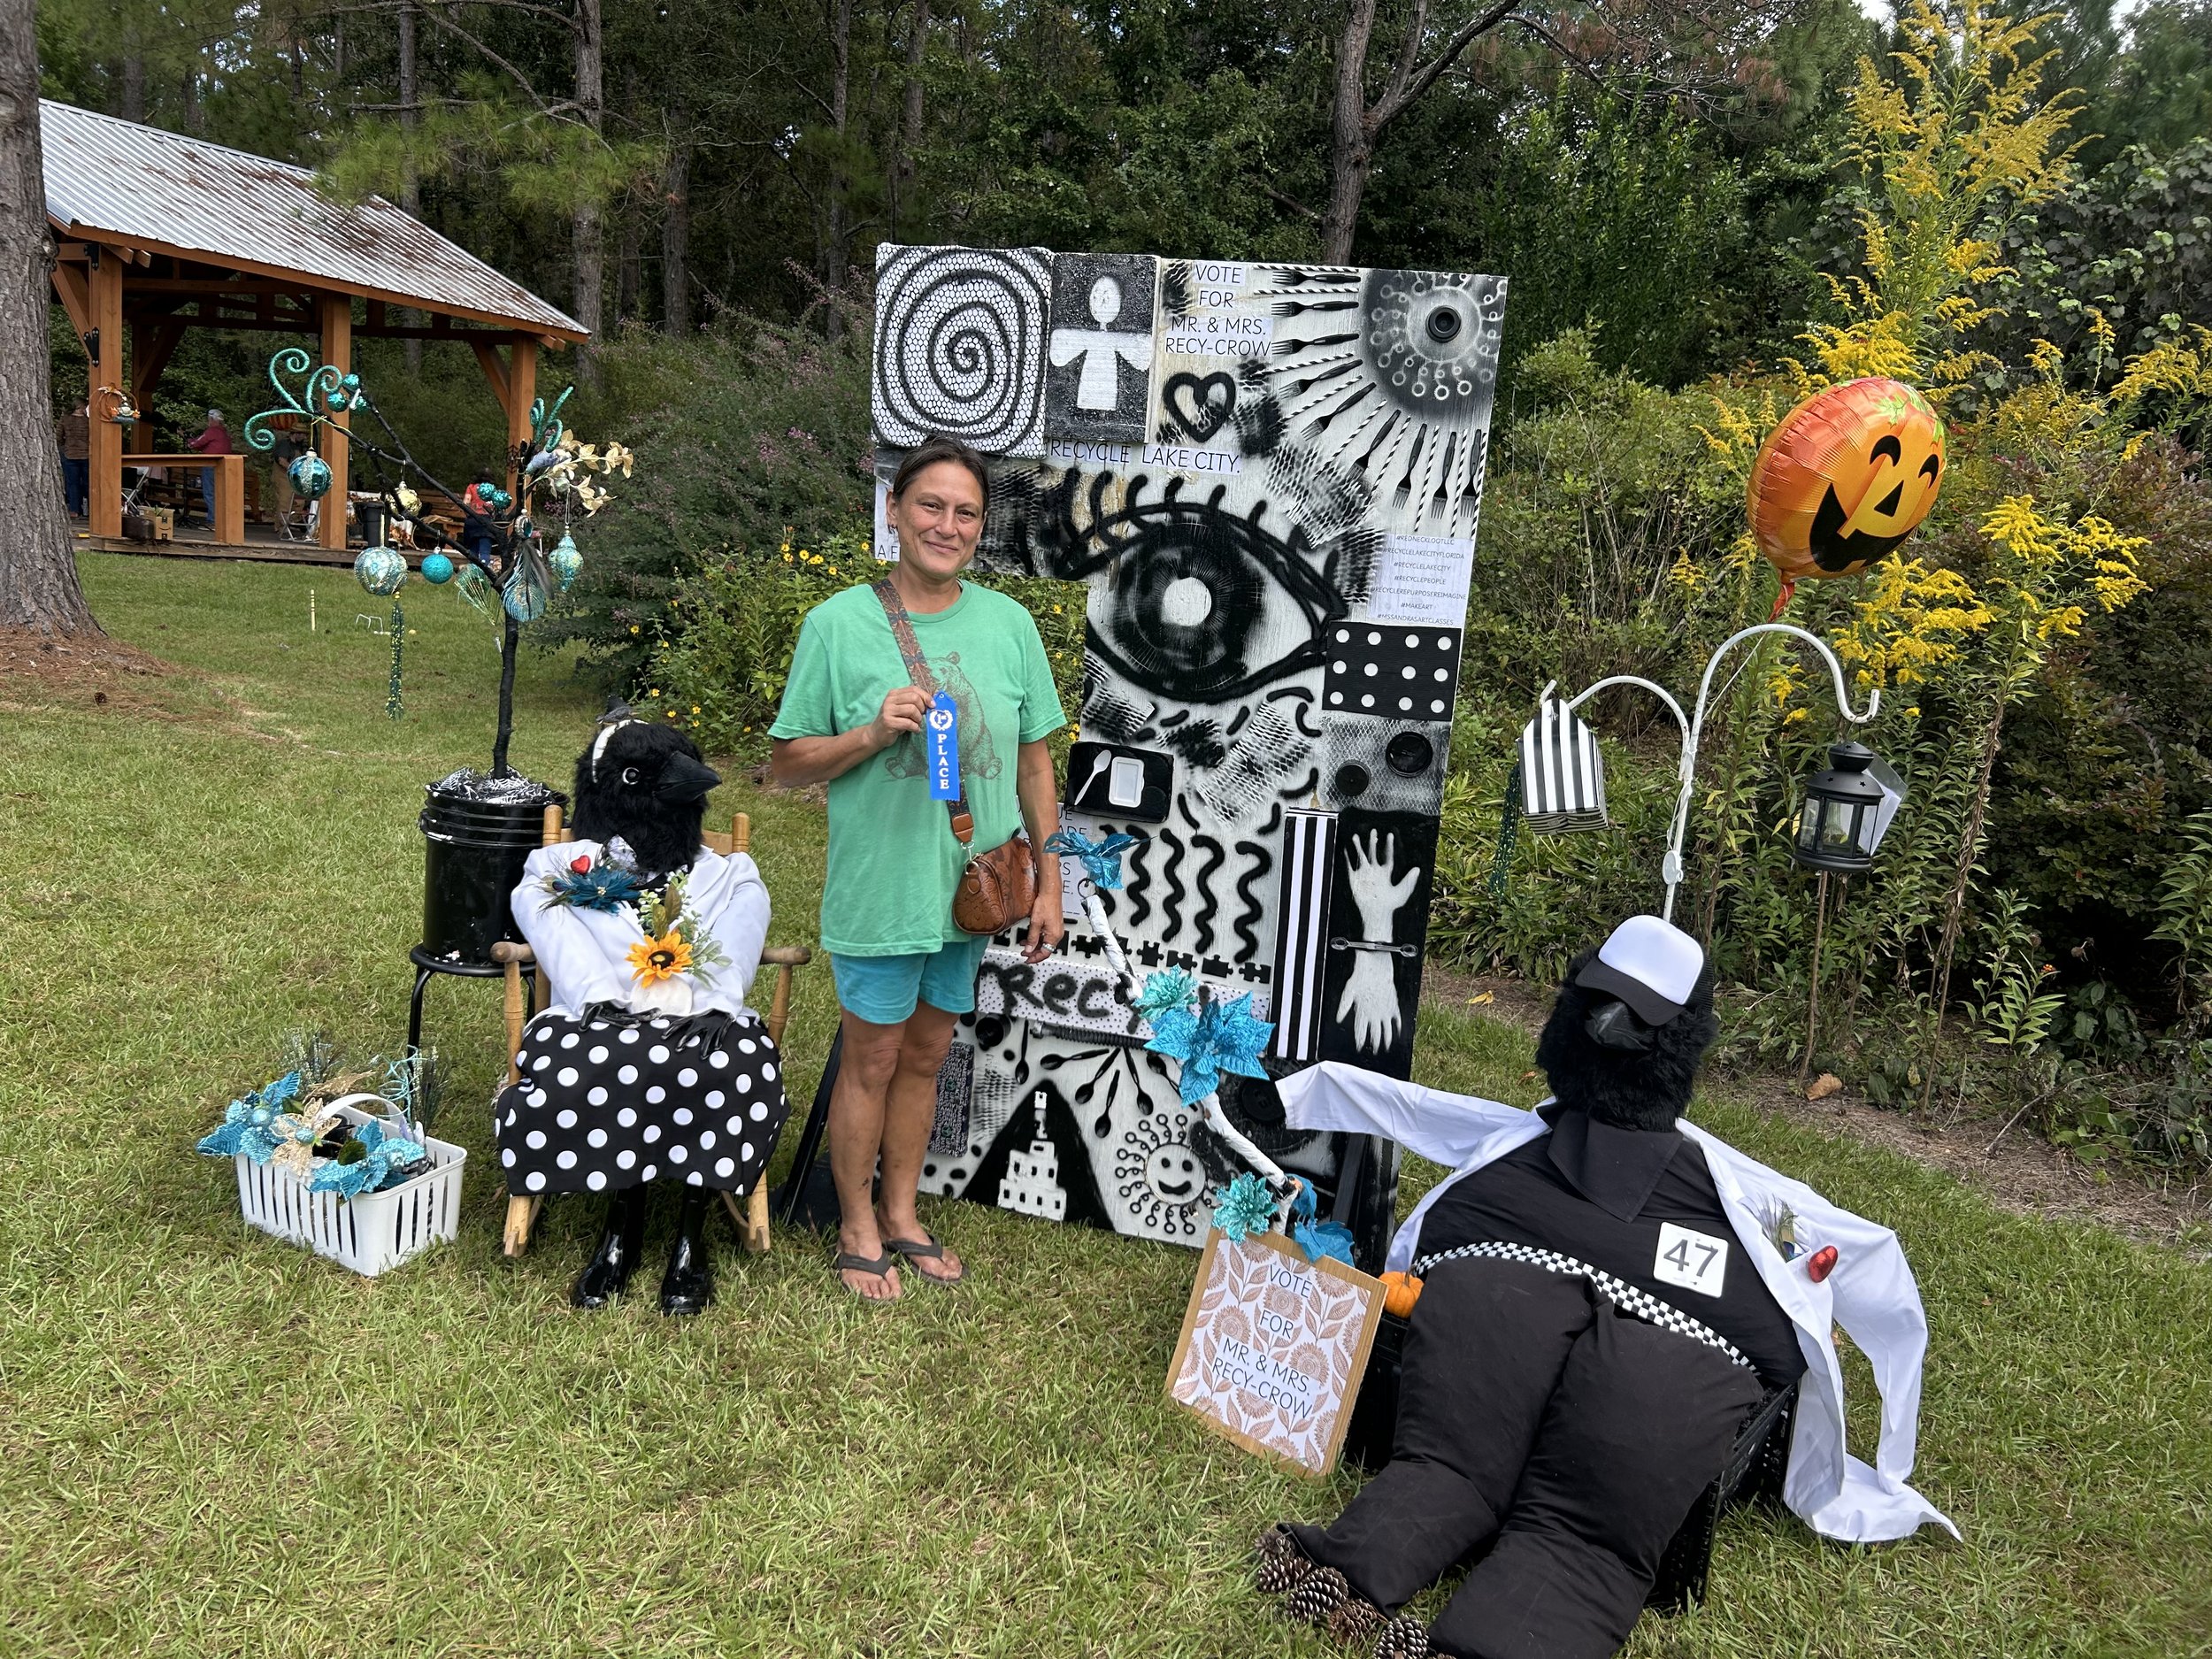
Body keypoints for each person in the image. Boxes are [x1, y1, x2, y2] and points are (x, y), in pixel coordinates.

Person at [1256, 916, 1953, 1659]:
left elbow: (1865, 1259)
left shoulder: (1729, 1195)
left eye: (1633, 1015)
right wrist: (1294, 1097)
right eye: (1600, 1003)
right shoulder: (1547, 1154)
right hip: (1533, 1289)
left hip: (1651, 1331)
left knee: (1594, 1482)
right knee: (1482, 1443)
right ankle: (1402, 1545)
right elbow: (1415, 1109)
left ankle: (1482, 1601)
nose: (1607, 1025)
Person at [769, 435, 1068, 1300]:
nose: (947, 524)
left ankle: (900, 1213)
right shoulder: (836, 625)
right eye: (929, 505)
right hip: (881, 885)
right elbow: (787, 764)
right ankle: (855, 1223)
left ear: (981, 527)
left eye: (965, 511)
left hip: (973, 893)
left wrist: (1050, 878)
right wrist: (870, 730)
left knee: (928, 1054)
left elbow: (1035, 762)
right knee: (871, 1059)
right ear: (894, 512)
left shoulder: (1008, 627)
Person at [495, 709, 790, 1315]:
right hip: (596, 1015)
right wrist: (600, 995)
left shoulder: (730, 873)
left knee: (726, 1059)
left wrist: (713, 1001)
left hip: (695, 1010)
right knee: (599, 1060)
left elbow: (741, 931)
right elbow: (546, 924)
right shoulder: (562, 869)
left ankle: (691, 1227)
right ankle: (621, 1219)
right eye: (640, 776)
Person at [185, 408, 232, 530]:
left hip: (211, 465)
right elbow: (207, 446)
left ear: (212, 419)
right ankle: (221, 521)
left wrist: (188, 440)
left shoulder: (212, 431)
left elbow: (197, 443)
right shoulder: (224, 433)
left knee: (210, 493)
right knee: (219, 493)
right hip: (222, 466)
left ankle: (213, 521)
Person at [57, 403, 89, 518]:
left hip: (70, 454)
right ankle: (91, 509)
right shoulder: (89, 420)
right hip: (87, 455)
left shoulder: (65, 419)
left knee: (73, 484)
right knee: (88, 483)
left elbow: (58, 436)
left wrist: (64, 447)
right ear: (81, 408)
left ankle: (75, 510)